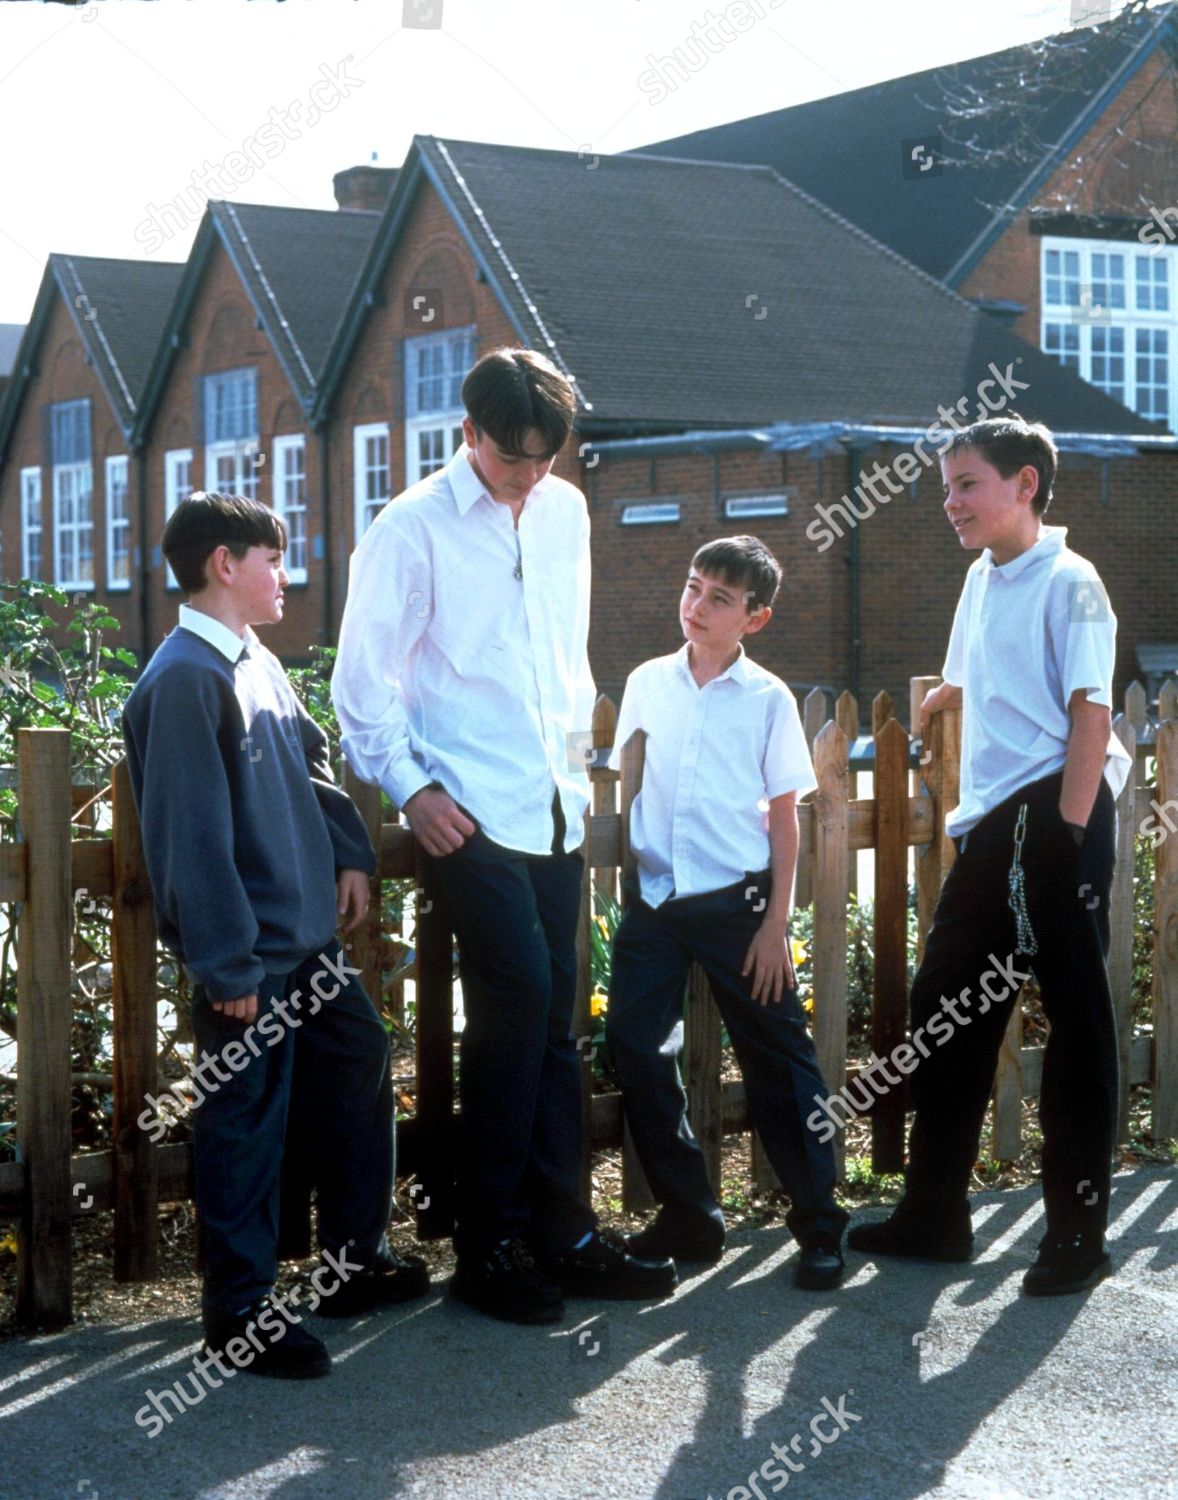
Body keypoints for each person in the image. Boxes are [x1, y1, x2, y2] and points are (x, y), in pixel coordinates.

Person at [331, 346, 676, 1325]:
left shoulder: (564, 512)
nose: (529, 479)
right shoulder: (409, 529)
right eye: (511, 459)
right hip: (468, 811)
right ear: (467, 436)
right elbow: (362, 686)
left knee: (560, 1014)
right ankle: (488, 1244)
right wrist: (410, 788)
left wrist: (576, 766)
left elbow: (564, 660)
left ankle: (561, 1231)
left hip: (553, 803)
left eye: (546, 460)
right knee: (517, 1001)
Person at [123, 491, 427, 1381]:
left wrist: (347, 851)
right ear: (226, 564)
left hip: (310, 949)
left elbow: (313, 754)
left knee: (360, 1060)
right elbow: (189, 833)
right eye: (272, 559)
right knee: (245, 1125)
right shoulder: (185, 678)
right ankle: (240, 1314)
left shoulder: (254, 657)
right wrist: (223, 962)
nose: (284, 575)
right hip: (249, 958)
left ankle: (350, 1264)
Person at [848, 416, 1132, 1295]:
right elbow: (979, 668)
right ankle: (935, 1216)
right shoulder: (983, 576)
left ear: (1025, 487)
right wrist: (937, 700)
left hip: (1055, 813)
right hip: (995, 823)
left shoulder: (1076, 583)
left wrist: (1069, 836)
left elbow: (1092, 714)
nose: (950, 502)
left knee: (1077, 1023)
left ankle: (1077, 1238)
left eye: (967, 484)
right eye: (945, 486)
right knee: (946, 1008)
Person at [605, 535, 849, 1290]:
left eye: (720, 598)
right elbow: (628, 782)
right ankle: (689, 1215)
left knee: (781, 1061)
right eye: (692, 587)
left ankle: (818, 1224)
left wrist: (776, 924)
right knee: (635, 1048)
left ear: (756, 617)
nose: (697, 606)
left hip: (740, 909)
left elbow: (784, 820)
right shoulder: (648, 681)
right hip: (655, 903)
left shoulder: (767, 699)